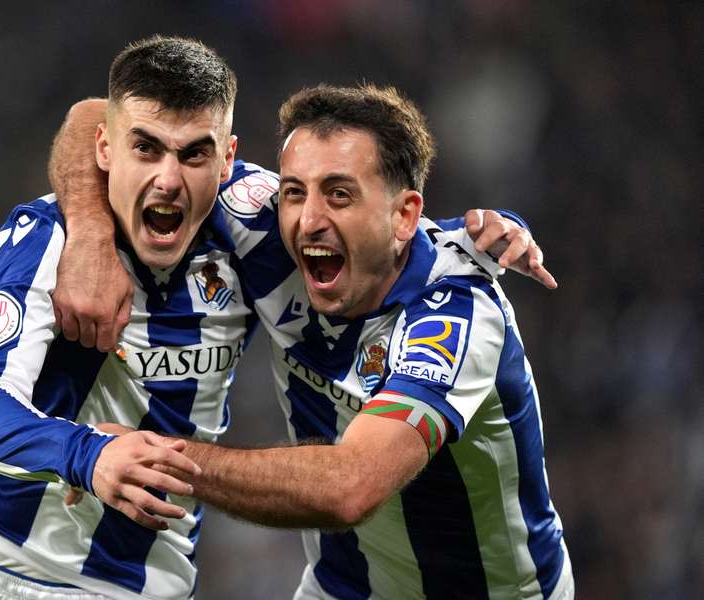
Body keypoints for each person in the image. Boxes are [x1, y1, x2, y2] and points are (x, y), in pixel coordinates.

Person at [0, 36, 548, 599]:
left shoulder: (253, 230)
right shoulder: (49, 241)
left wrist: (481, 230)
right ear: (108, 150)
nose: (168, 180)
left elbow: (384, 239)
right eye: (146, 149)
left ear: (226, 162)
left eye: (194, 155)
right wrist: (89, 453)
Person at [60, 84, 572, 599]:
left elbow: (351, 488)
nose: (308, 221)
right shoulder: (264, 225)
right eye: (295, 191)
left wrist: (158, 457)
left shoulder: (456, 315)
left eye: (339, 194)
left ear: (403, 215)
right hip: (341, 588)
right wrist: (89, 237)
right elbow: (95, 119)